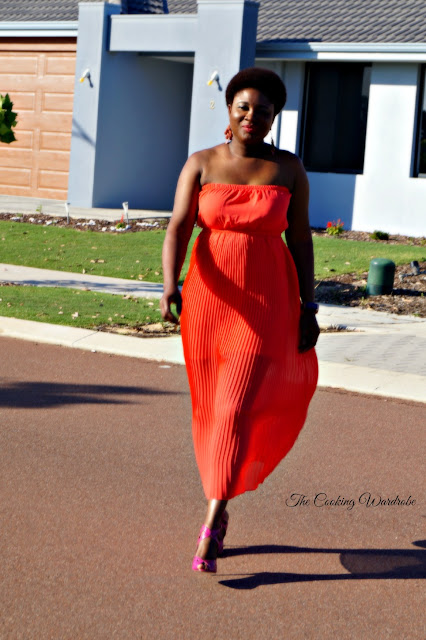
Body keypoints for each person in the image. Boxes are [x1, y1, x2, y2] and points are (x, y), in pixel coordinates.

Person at [160, 67, 319, 573]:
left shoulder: (288, 169)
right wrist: (169, 285)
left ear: (275, 118)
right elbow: (178, 227)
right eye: (243, 107)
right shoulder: (202, 163)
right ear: (229, 110)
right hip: (209, 302)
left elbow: (300, 240)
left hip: (267, 304)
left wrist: (308, 306)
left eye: (263, 111)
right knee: (214, 407)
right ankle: (221, 500)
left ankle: (212, 522)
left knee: (234, 408)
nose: (252, 116)